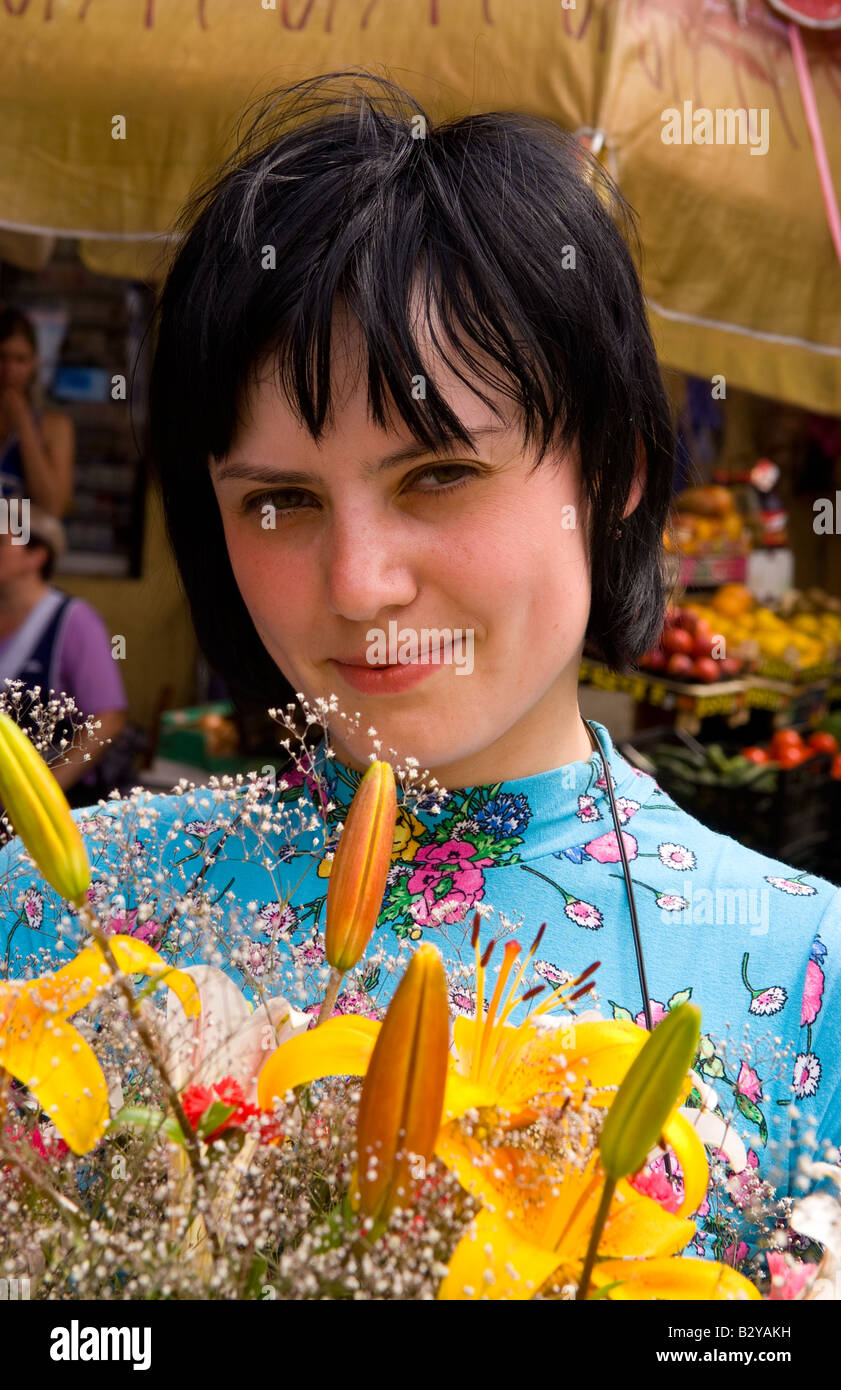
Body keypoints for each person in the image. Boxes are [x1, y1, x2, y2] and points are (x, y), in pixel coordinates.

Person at [0, 72, 838, 1272]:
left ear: (615, 471)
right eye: (280, 501)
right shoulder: (54, 920)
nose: (358, 583)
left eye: (436, 475)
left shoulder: (806, 973)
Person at [0, 505, 129, 802]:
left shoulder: (75, 622)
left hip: (54, 806)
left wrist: (42, 794)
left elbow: (109, 718)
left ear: (37, 555)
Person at [0, 306, 74, 517]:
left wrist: (24, 425)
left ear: (33, 363)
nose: (9, 371)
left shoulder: (55, 426)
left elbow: (53, 506)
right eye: (2, 357)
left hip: (23, 545)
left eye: (20, 360)